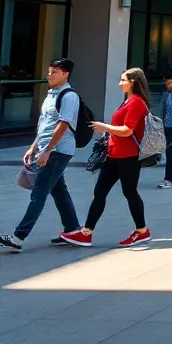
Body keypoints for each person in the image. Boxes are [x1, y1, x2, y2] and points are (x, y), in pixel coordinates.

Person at [60, 68, 152, 249]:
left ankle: (142, 231)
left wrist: (105, 127)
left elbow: (127, 130)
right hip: (114, 155)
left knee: (130, 193)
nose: (120, 83)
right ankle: (86, 233)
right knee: (100, 192)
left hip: (129, 157)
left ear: (133, 82)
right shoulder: (128, 101)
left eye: (123, 80)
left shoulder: (136, 103)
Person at [0, 58, 81, 253]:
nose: (50, 74)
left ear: (65, 74)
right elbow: (45, 125)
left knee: (39, 193)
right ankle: (74, 230)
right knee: (59, 190)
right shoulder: (51, 94)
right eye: (49, 71)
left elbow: (62, 126)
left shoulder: (69, 96)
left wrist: (47, 151)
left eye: (55, 71)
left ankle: (18, 237)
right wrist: (34, 146)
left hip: (58, 151)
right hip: (47, 149)